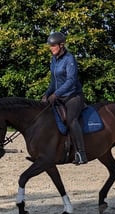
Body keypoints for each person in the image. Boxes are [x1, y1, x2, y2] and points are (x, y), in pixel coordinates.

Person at [41, 31, 88, 165]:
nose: (51, 49)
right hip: (59, 96)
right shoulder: (54, 60)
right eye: (50, 46)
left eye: (53, 46)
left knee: (70, 119)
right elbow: (53, 81)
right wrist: (47, 94)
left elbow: (71, 80)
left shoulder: (70, 59)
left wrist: (56, 94)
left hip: (73, 96)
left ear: (61, 45)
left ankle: (81, 153)